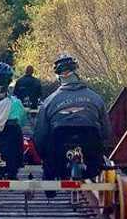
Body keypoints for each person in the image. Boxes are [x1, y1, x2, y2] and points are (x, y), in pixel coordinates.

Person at [33, 54, 110, 182]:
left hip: (57, 158)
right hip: (91, 158)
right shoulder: (96, 99)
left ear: (58, 76)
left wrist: (45, 158)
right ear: (76, 72)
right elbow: (106, 132)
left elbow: (40, 135)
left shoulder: (49, 102)